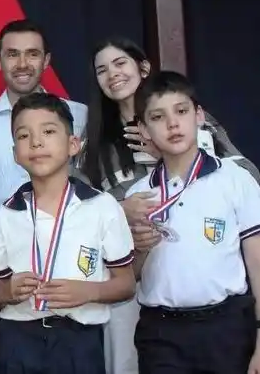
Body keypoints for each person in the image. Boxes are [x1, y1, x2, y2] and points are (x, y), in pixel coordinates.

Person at [79, 37, 260, 374]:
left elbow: (256, 254)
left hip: (223, 318)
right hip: (154, 317)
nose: (173, 124)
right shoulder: (113, 161)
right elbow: (119, 264)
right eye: (102, 70)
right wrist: (130, 228)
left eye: (120, 63)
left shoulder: (227, 171)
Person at [0, 93, 135, 374]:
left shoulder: (102, 207)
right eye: (24, 135)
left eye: (49, 131)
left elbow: (126, 283)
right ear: (16, 153)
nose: (36, 142)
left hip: (79, 340)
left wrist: (90, 291)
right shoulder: (6, 215)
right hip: (17, 338)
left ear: (73, 145)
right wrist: (7, 291)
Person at [126, 71, 260, 374]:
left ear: (199, 116)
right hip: (161, 333)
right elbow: (128, 276)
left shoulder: (235, 179)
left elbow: (257, 261)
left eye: (182, 111)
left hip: (227, 328)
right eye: (158, 117)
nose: (173, 124)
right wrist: (140, 249)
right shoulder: (138, 196)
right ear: (144, 129)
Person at [0, 19, 88, 234]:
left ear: (46, 60)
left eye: (32, 54)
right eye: (12, 54)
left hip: (66, 243)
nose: (22, 64)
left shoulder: (79, 115)